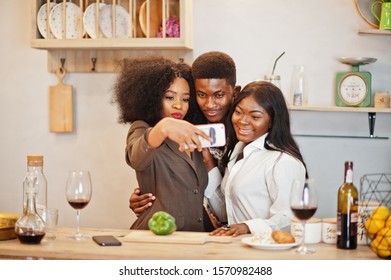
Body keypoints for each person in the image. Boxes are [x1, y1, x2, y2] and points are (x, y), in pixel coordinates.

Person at [128, 52, 241, 224]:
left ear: (235, 92)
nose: (209, 104)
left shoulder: (245, 130)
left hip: (228, 230)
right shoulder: (183, 128)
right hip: (173, 232)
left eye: (185, 99)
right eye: (201, 95)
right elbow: (138, 157)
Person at [112, 56, 211, 231]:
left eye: (186, 99)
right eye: (169, 97)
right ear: (151, 97)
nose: (179, 105)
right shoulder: (142, 129)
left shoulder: (191, 134)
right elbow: (136, 157)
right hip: (158, 236)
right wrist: (163, 127)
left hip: (196, 236)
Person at [206, 81, 307, 237]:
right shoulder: (237, 152)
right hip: (236, 248)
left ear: (272, 121)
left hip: (266, 253)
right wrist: (208, 163)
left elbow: (290, 219)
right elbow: (226, 213)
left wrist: (247, 227)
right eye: (238, 112)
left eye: (255, 116)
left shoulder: (283, 162)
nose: (242, 121)